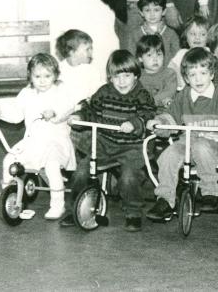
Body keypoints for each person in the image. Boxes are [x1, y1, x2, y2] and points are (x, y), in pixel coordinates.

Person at [60, 50, 156, 232]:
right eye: (116, 76)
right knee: (81, 171)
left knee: (128, 177)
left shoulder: (142, 95)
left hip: (132, 147)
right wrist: (79, 117)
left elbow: (148, 114)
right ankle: (74, 209)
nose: (121, 82)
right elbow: (90, 110)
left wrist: (134, 123)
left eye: (127, 76)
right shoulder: (104, 92)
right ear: (110, 77)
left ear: (135, 75)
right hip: (105, 143)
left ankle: (133, 212)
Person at [146, 47, 218, 219]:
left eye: (203, 73)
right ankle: (165, 199)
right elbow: (171, 117)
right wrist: (160, 123)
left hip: (215, 143)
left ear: (212, 74)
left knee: (201, 147)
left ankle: (209, 193)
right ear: (185, 78)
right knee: (168, 154)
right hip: (187, 142)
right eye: (192, 75)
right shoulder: (184, 95)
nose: (198, 79)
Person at [0, 53, 77, 220]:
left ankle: (58, 204)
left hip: (55, 141)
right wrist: (0, 112)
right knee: (9, 161)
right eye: (37, 76)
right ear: (30, 76)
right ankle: (8, 192)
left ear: (55, 76)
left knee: (51, 167)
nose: (42, 81)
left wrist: (55, 112)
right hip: (33, 141)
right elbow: (16, 114)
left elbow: (68, 107)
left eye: (47, 76)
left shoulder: (60, 91)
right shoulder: (26, 93)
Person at [127, 0, 180, 66]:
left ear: (164, 11)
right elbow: (132, 59)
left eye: (156, 10)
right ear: (141, 12)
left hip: (166, 75)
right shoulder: (135, 35)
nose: (152, 14)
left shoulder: (171, 34)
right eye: (147, 10)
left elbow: (177, 58)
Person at [167, 15, 210, 89]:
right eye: (193, 34)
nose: (197, 37)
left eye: (202, 34)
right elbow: (171, 67)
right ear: (186, 36)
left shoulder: (209, 53)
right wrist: (178, 78)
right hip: (184, 90)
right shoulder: (182, 53)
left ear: (208, 37)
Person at [136, 34, 178, 108]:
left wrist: (150, 102)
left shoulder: (169, 74)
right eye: (149, 55)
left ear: (164, 56)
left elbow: (169, 92)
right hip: (142, 111)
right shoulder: (137, 76)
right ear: (140, 58)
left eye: (158, 54)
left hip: (164, 112)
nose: (155, 59)